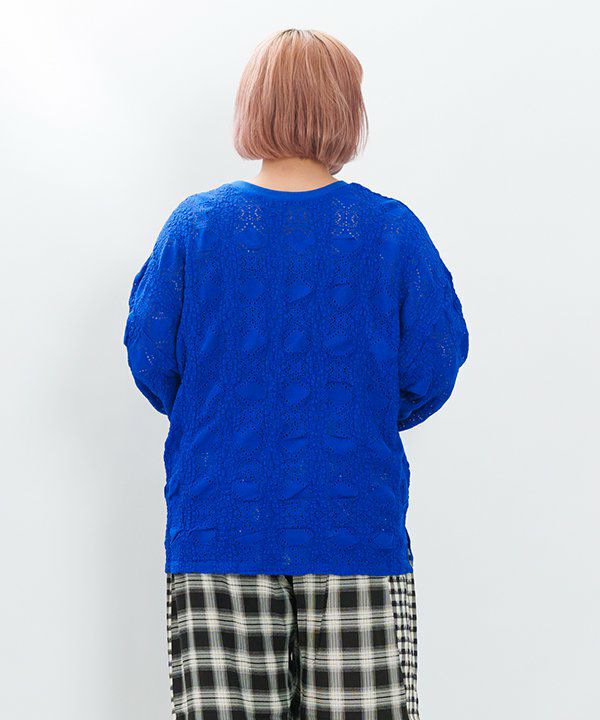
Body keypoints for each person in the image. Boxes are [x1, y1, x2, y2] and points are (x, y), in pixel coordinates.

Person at [124, 28, 468, 720]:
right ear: (346, 110)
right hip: (355, 526)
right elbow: (433, 365)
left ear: (252, 106)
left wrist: (232, 409)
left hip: (217, 525)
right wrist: (353, 413)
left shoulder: (194, 228)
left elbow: (152, 359)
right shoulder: (391, 232)